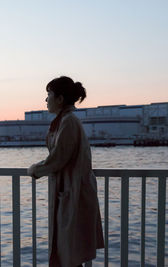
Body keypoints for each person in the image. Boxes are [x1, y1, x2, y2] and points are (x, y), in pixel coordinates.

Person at [27, 76, 104, 267]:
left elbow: (57, 159)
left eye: (49, 95)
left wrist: (34, 170)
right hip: (70, 191)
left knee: (69, 253)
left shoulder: (68, 122)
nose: (46, 100)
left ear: (60, 99)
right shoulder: (64, 121)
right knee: (68, 252)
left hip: (73, 192)